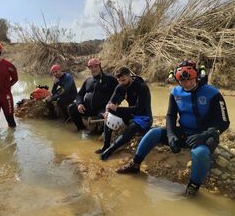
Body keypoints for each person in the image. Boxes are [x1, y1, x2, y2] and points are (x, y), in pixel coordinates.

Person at [116, 59, 230, 196]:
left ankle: (193, 187)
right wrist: (171, 135)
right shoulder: (176, 92)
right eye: (182, 81)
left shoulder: (212, 93)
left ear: (196, 76)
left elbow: (224, 122)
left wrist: (205, 135)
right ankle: (134, 164)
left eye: (190, 80)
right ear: (177, 79)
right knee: (153, 133)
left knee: (200, 154)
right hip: (184, 132)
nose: (186, 84)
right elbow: (170, 116)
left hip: (204, 135)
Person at [97, 67, 153, 159]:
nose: (121, 83)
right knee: (109, 112)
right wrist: (107, 111)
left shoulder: (142, 87)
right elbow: (110, 103)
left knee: (132, 126)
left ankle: (110, 150)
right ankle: (106, 145)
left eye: (123, 80)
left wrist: (117, 109)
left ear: (129, 76)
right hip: (131, 115)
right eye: (119, 81)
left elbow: (139, 109)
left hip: (144, 118)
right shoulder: (120, 86)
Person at [68, 58, 118, 131]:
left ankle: (96, 132)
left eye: (96, 66)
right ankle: (81, 129)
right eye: (91, 67)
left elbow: (119, 93)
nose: (94, 69)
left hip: (103, 108)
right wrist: (79, 104)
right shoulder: (88, 80)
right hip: (88, 108)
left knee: (101, 118)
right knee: (72, 107)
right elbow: (80, 94)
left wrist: (114, 104)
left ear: (100, 66)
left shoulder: (110, 79)